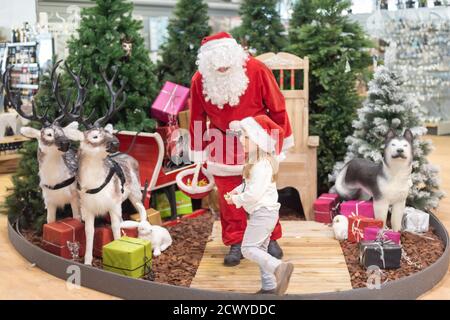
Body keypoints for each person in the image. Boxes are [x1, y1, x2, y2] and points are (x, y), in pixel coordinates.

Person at [189, 32, 294, 266]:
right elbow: (197, 117)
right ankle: (236, 241)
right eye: (217, 66)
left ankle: (270, 237)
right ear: (207, 63)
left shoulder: (257, 69)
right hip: (221, 142)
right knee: (228, 199)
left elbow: (277, 106)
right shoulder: (199, 80)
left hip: (257, 139)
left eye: (226, 63)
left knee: (264, 193)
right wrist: (198, 151)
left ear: (234, 55)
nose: (223, 69)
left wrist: (279, 139)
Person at [225, 115, 294, 295]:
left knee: (248, 249)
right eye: (242, 135)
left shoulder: (261, 165)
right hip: (264, 213)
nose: (241, 139)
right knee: (261, 249)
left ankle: (279, 268)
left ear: (259, 140)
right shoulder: (255, 162)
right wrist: (236, 190)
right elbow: (250, 184)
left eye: (247, 136)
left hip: (263, 213)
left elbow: (254, 194)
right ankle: (269, 286)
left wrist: (236, 200)